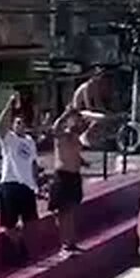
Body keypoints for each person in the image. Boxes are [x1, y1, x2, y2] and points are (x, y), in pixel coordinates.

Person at [0, 92, 40, 265]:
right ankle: (18, 249)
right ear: (14, 124)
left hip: (27, 186)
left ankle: (24, 246)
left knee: (31, 222)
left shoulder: (29, 141)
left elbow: (33, 164)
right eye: (18, 122)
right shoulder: (9, 139)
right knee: (9, 224)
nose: (21, 125)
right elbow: (0, 125)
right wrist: (9, 103)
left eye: (23, 123)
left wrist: (37, 183)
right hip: (10, 183)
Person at [48, 106, 87, 256]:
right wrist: (66, 114)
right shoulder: (62, 135)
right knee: (62, 211)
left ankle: (71, 242)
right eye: (73, 119)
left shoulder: (76, 138)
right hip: (62, 176)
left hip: (75, 176)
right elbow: (55, 128)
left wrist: (82, 162)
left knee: (71, 211)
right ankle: (64, 243)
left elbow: (75, 154)